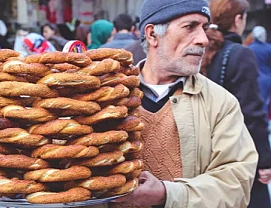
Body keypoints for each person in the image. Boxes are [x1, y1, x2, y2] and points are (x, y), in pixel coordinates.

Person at [109, 0, 258, 207]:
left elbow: (236, 184)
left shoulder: (220, 103)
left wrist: (168, 194)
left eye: (205, 28)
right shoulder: (107, 98)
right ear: (152, 34)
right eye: (190, 27)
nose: (203, 39)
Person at [201, 1, 271, 207]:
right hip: (237, 155)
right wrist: (265, 161)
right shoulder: (240, 54)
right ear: (238, 19)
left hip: (205, 154)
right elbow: (252, 113)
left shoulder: (203, 50)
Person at [248, 26, 271, 119]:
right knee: (266, 102)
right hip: (267, 78)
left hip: (253, 78)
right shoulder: (269, 48)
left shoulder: (249, 48)